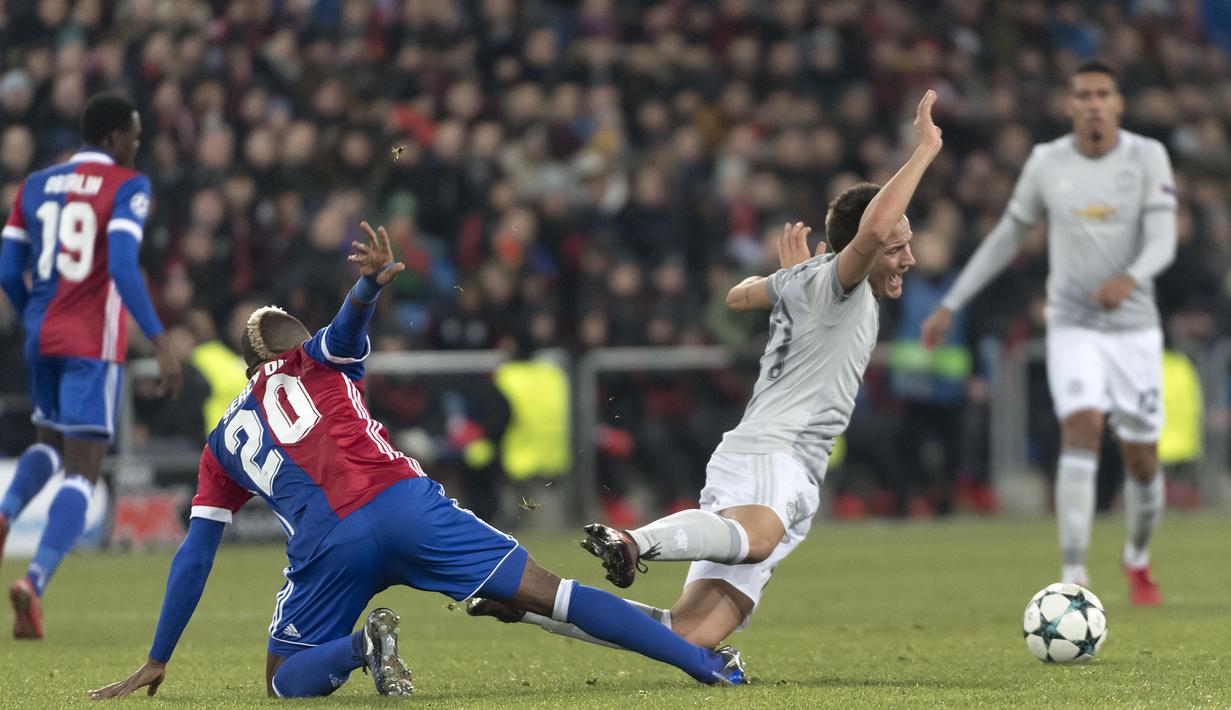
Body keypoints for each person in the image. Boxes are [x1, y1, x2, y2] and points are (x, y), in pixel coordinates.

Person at [89, 222, 744, 701]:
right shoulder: (318, 359)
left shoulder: (221, 442)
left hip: (329, 547)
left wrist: (158, 656)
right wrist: (367, 287)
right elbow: (346, 329)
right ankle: (703, 666)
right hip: (407, 505)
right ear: (285, 349)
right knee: (556, 596)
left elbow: (195, 555)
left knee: (285, 679)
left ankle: (359, 648)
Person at [469, 90, 942, 649]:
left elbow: (739, 296)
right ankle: (634, 540)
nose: (907, 257)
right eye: (896, 247)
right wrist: (924, 152)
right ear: (862, 248)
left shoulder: (817, 283)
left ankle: (530, 605)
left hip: (787, 466)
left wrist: (791, 284)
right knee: (758, 538)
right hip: (775, 452)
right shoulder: (840, 283)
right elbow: (867, 232)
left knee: (689, 636)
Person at [919, 60, 1175, 606]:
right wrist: (951, 302)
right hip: (1072, 322)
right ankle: (1075, 576)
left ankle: (1137, 556)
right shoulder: (1047, 162)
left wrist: (1129, 278)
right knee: (1080, 429)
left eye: (1103, 94)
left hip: (1133, 328)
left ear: (1118, 104)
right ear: (1069, 105)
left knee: (1141, 460)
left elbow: (1163, 239)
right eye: (1083, 95)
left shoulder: (1146, 157)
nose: (1093, 103)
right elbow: (1007, 237)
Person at [0, 92, 182, 639]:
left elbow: (8, 266)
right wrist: (159, 339)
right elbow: (124, 265)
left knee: (46, 444)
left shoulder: (35, 184)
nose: (137, 145)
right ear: (112, 138)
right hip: (89, 344)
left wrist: (34, 309)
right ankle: (33, 580)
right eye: (134, 136)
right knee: (83, 468)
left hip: (41, 334)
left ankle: (6, 511)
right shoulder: (128, 186)